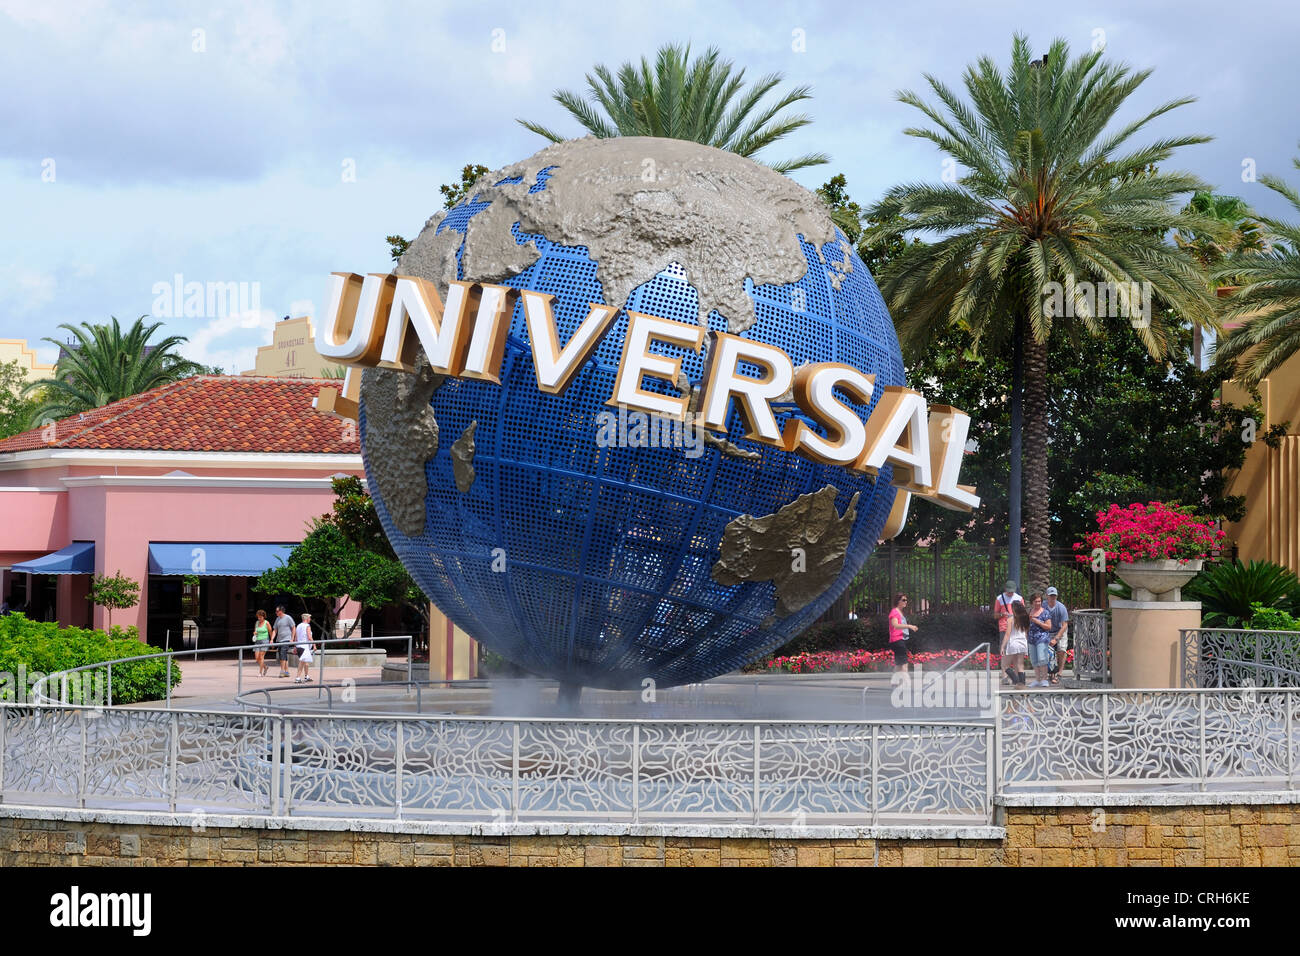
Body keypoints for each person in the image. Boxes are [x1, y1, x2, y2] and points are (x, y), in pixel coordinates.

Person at [1043, 587, 1071, 685]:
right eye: (1051, 595)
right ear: (1047, 596)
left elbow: (1064, 625)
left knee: (1061, 650)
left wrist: (1056, 638)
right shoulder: (1043, 606)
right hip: (1047, 630)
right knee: (1048, 651)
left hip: (1060, 630)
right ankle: (1051, 673)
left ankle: (1059, 673)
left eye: (1054, 595)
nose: (1052, 597)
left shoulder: (1061, 608)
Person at [1027, 593, 1055, 688]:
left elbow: (1049, 627)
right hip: (1031, 639)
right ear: (1032, 602)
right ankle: (1037, 679)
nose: (1038, 603)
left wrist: (1037, 621)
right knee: (1034, 660)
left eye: (1039, 601)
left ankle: (1044, 679)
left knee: (1042, 659)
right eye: (1036, 601)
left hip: (1042, 638)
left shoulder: (1045, 612)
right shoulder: (1030, 612)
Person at [1001, 600, 1030, 687]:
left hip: (1013, 642)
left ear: (1013, 609)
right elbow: (1026, 633)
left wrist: (1003, 646)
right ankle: (1022, 684)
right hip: (1023, 643)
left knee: (1005, 665)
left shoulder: (1010, 619)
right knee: (1020, 665)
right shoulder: (1025, 618)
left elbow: (1007, 634)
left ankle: (1017, 682)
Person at [888, 593, 919, 673]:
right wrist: (909, 626)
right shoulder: (894, 612)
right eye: (903, 600)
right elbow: (895, 625)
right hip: (897, 640)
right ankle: (906, 683)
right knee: (904, 664)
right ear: (898, 601)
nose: (906, 602)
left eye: (906, 600)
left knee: (899, 665)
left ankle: (894, 683)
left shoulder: (899, 612)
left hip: (898, 640)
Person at [271, 605, 295, 678]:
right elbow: (275, 630)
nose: (276, 612)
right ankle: (286, 671)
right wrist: (272, 639)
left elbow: (293, 627)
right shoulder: (277, 619)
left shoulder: (288, 617)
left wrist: (292, 638)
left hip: (286, 639)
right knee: (283, 656)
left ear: (281, 611)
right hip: (279, 640)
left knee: (282, 654)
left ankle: (282, 671)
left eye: (277, 611)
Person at [293, 613, 315, 684]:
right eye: (309, 618)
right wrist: (314, 644)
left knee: (306, 662)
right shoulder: (307, 626)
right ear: (306, 618)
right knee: (302, 662)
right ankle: (297, 677)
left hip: (299, 646)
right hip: (304, 646)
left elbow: (296, 637)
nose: (310, 619)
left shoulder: (299, 625)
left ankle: (306, 676)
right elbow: (309, 636)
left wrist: (295, 647)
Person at [252, 609, 271, 676]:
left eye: (260, 617)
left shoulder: (267, 623)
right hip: (257, 641)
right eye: (258, 617)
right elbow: (255, 631)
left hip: (265, 640)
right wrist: (255, 633)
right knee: (257, 658)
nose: (259, 618)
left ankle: (260, 673)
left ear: (263, 616)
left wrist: (271, 641)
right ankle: (265, 667)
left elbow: (270, 632)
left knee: (261, 656)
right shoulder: (257, 623)